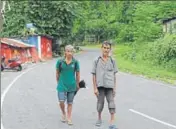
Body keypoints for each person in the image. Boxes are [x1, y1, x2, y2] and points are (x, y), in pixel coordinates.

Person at [91, 41, 118, 129]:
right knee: (100, 103)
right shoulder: (96, 60)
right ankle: (99, 118)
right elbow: (94, 75)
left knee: (111, 103)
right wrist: (95, 88)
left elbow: (114, 75)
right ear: (101, 48)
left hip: (110, 86)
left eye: (108, 48)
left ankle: (112, 121)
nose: (106, 50)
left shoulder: (112, 60)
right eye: (104, 48)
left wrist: (114, 88)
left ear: (110, 49)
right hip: (100, 86)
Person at [56, 45, 80, 125]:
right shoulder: (60, 61)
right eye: (68, 51)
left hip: (72, 85)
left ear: (73, 53)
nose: (70, 53)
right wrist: (58, 82)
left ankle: (69, 117)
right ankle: (63, 113)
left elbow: (78, 73)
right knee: (61, 101)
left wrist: (78, 84)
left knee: (70, 102)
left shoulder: (75, 62)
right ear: (65, 52)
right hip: (62, 84)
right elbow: (57, 73)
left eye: (71, 51)